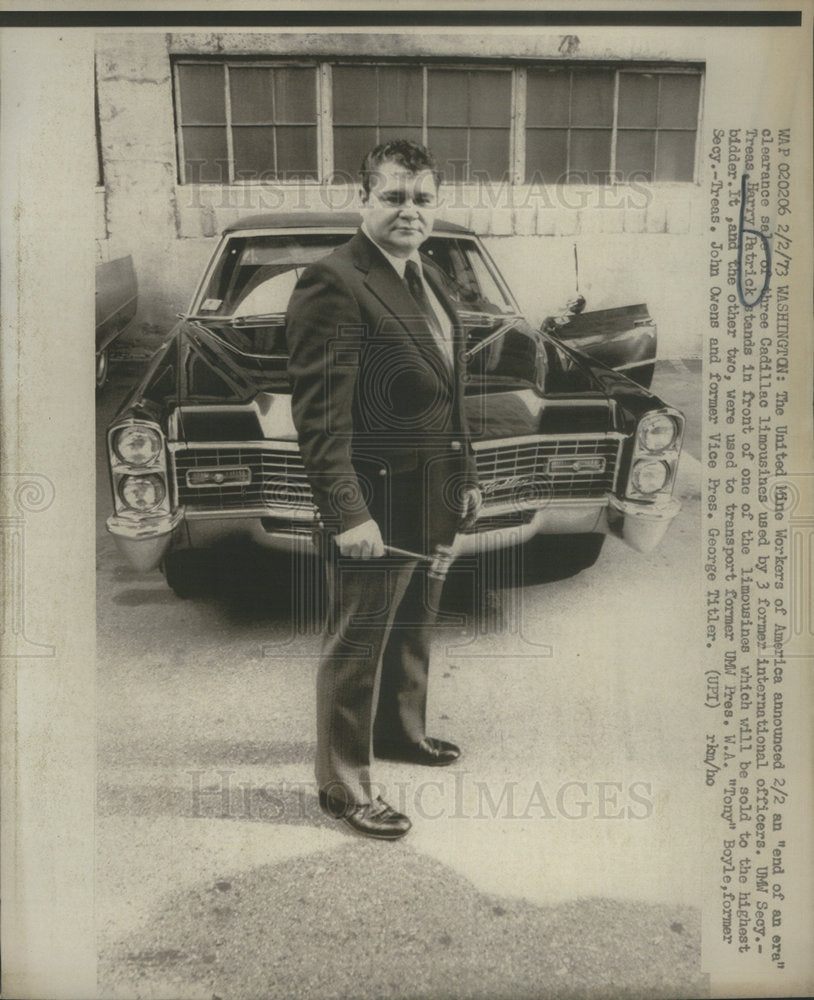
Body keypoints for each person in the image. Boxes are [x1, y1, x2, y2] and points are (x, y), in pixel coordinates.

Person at [285, 140, 481, 839]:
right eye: (393, 196)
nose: (409, 211)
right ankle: (343, 787)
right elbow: (319, 417)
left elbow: (446, 394)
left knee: (412, 627)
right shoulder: (333, 282)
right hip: (373, 504)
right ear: (363, 199)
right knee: (358, 642)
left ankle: (400, 732)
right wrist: (347, 513)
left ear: (436, 206)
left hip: (430, 495)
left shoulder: (427, 275)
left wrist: (466, 481)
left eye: (422, 199)